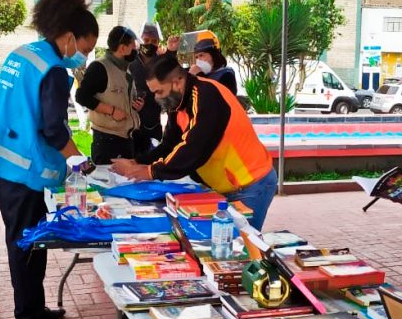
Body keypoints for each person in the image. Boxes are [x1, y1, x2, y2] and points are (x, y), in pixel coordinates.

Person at [0, 0, 98, 319]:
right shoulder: (54, 70)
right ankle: (27, 318)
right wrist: (77, 159)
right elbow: (52, 127)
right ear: (70, 37)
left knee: (31, 238)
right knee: (27, 242)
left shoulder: (23, 54)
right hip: (20, 169)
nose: (83, 58)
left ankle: (34, 306)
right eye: (85, 50)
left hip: (2, 160)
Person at [110, 54, 277, 230]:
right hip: (223, 186)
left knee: (241, 247)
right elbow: (169, 145)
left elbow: (194, 148)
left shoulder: (207, 96)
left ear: (177, 82)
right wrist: (137, 163)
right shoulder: (178, 103)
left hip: (250, 184)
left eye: (159, 91)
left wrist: (150, 171)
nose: (156, 98)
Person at [76, 25, 142, 164]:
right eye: (133, 46)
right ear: (122, 48)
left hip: (127, 138)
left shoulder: (125, 70)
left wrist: (136, 105)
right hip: (107, 141)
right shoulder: (99, 67)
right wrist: (111, 111)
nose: (135, 50)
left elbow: (123, 99)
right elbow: (81, 96)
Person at [129, 23, 176, 158]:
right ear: (139, 39)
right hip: (132, 122)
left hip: (154, 121)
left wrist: (172, 51)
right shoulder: (131, 61)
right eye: (146, 40)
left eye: (154, 41)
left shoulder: (161, 61)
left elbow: (171, 70)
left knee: (154, 160)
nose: (150, 44)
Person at [188, 31, 237, 96]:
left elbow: (213, 99)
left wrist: (199, 76)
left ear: (213, 56)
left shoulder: (226, 75)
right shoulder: (205, 74)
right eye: (196, 57)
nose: (198, 60)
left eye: (201, 55)